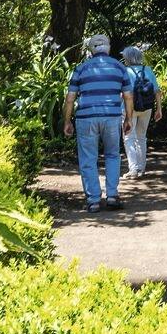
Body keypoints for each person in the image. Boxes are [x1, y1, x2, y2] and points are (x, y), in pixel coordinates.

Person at [64, 33, 130, 212]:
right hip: (111, 117)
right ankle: (112, 196)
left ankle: (93, 200)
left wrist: (67, 121)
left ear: (90, 50)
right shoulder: (119, 67)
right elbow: (128, 95)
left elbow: (70, 98)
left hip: (86, 118)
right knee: (113, 155)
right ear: (108, 48)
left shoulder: (81, 69)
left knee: (88, 158)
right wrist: (129, 118)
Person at [120, 45, 162, 178]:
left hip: (129, 109)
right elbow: (157, 91)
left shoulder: (125, 71)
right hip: (147, 108)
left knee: (128, 137)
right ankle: (141, 168)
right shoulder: (148, 70)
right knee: (141, 137)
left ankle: (133, 169)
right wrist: (159, 109)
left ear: (128, 58)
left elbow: (123, 93)